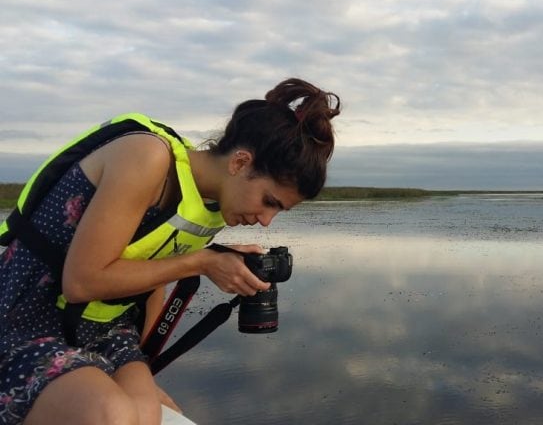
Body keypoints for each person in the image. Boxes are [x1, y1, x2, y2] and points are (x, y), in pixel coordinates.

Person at [0, 78, 341, 425]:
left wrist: (143, 369)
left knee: (148, 415)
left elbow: (148, 288)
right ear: (240, 162)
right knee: (110, 414)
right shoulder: (147, 158)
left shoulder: (211, 207)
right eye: (269, 201)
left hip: (105, 330)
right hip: (25, 315)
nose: (266, 220)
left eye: (279, 211)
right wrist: (202, 262)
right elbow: (81, 282)